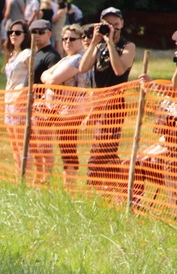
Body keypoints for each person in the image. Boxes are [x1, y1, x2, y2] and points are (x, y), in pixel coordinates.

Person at [78, 7, 136, 188]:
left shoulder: (127, 46)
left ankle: (97, 186)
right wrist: (95, 42)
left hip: (114, 105)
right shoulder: (99, 45)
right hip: (97, 103)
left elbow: (119, 70)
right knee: (102, 151)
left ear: (122, 24)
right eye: (107, 23)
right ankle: (114, 186)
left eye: (115, 23)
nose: (112, 27)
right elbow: (83, 67)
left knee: (102, 152)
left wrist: (111, 43)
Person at [40, 23, 90, 184]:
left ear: (81, 40)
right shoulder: (66, 59)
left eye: (72, 39)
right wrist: (50, 80)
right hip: (63, 110)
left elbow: (53, 79)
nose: (68, 42)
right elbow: (45, 74)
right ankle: (67, 184)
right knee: (64, 148)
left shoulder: (79, 58)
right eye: (65, 39)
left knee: (68, 149)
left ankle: (70, 185)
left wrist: (51, 81)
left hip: (73, 110)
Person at [29, 18, 60, 183]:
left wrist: (45, 104)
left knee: (44, 145)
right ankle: (37, 176)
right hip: (31, 105)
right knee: (34, 145)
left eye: (41, 32)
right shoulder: (35, 52)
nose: (37, 35)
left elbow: (53, 83)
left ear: (49, 33)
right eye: (34, 32)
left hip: (43, 106)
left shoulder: (51, 55)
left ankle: (46, 179)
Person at [2, 20, 31, 171]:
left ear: (25, 35)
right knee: (13, 142)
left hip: (20, 102)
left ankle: (26, 174)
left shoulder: (27, 53)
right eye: (11, 32)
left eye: (18, 32)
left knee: (21, 142)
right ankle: (17, 174)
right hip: (9, 101)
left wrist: (24, 91)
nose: (13, 35)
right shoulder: (12, 54)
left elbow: (33, 72)